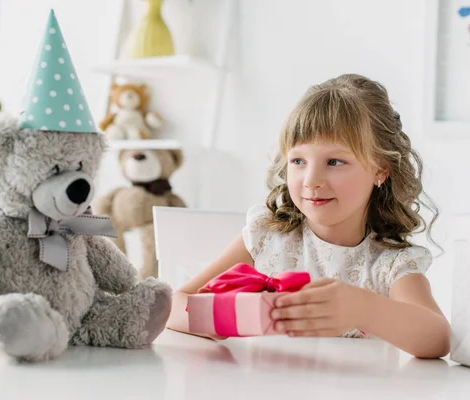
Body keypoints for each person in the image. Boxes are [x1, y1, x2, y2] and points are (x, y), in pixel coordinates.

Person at [166, 74, 450, 359]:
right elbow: (172, 304)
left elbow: (438, 338)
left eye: (335, 161)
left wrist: (362, 308)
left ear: (380, 170)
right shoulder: (267, 237)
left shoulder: (390, 264)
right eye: (298, 161)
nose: (311, 180)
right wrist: (216, 317)